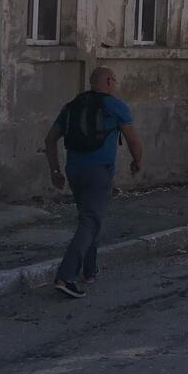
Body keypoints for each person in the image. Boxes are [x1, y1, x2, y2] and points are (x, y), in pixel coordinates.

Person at [45, 67, 143, 299]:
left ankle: (89, 270)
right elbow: (133, 140)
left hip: (73, 171)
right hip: (98, 172)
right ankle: (65, 276)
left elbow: (50, 139)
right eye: (114, 80)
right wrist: (137, 162)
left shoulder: (72, 106)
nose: (115, 84)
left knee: (90, 218)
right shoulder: (115, 106)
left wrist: (55, 171)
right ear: (108, 81)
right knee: (90, 221)